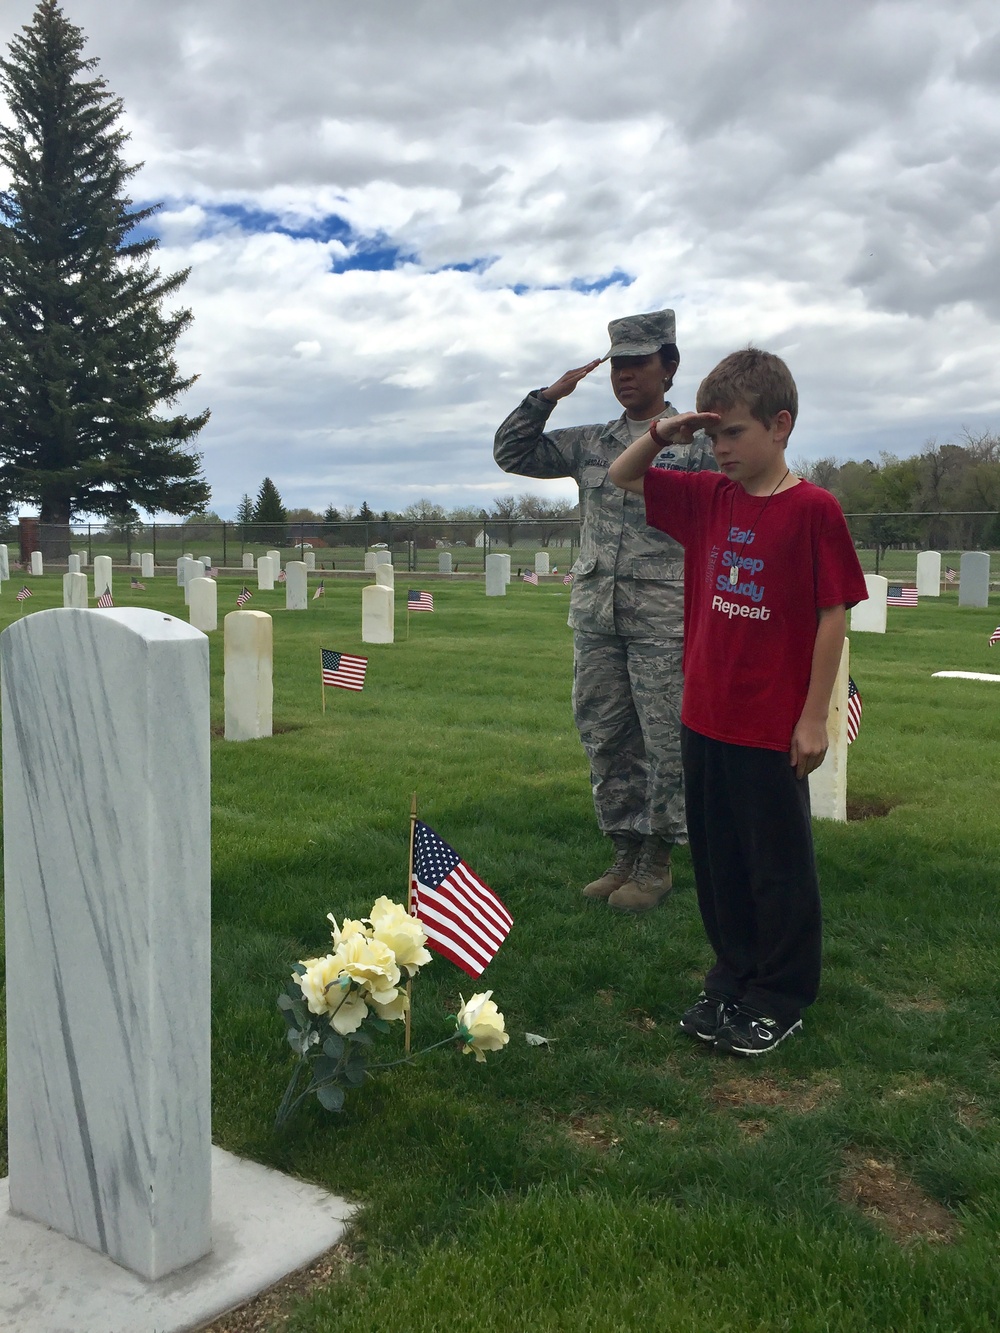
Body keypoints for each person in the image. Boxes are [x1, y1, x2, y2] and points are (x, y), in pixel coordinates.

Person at [608, 348, 867, 1054]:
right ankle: (732, 973)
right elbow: (620, 475)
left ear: (781, 426)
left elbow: (832, 614)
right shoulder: (707, 499)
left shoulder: (814, 510)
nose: (720, 449)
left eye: (735, 434)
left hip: (769, 725)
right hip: (705, 717)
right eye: (714, 434)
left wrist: (814, 716)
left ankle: (780, 993)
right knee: (719, 862)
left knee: (773, 863)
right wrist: (668, 431)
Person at [494, 310, 717, 912]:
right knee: (605, 735)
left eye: (638, 363)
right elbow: (512, 453)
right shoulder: (592, 441)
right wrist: (546, 396)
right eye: (617, 364)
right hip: (597, 614)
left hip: (662, 617)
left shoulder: (694, 444)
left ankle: (658, 860)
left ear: (668, 368)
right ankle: (622, 851)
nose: (625, 375)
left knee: (663, 739)